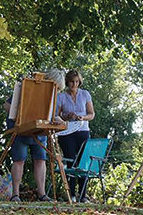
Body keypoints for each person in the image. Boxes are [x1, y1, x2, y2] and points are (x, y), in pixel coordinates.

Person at [2, 69, 65, 202]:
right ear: (50, 81)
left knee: (41, 160)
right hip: (21, 130)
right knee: (19, 160)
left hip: (39, 132)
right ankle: (15, 195)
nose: (56, 91)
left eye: (58, 89)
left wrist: (57, 119)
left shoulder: (52, 96)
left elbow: (48, 114)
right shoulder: (28, 87)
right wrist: (19, 114)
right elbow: (7, 105)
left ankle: (42, 194)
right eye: (56, 87)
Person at [55, 69, 95, 203]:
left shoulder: (85, 94)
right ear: (67, 82)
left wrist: (82, 117)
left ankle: (83, 195)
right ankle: (71, 194)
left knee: (83, 162)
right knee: (71, 161)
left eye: (77, 82)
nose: (74, 84)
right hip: (67, 132)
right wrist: (67, 116)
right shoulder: (60, 96)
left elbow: (91, 114)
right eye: (72, 82)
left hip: (83, 130)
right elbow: (56, 116)